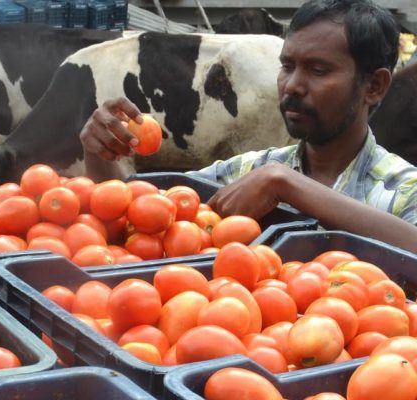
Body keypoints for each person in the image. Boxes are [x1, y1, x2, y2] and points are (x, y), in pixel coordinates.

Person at [79, 0, 417, 251]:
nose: (292, 85)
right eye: (287, 66)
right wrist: (102, 155)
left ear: (374, 86)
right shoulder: (249, 171)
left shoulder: (401, 189)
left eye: (318, 70)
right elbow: (145, 222)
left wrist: (287, 184)